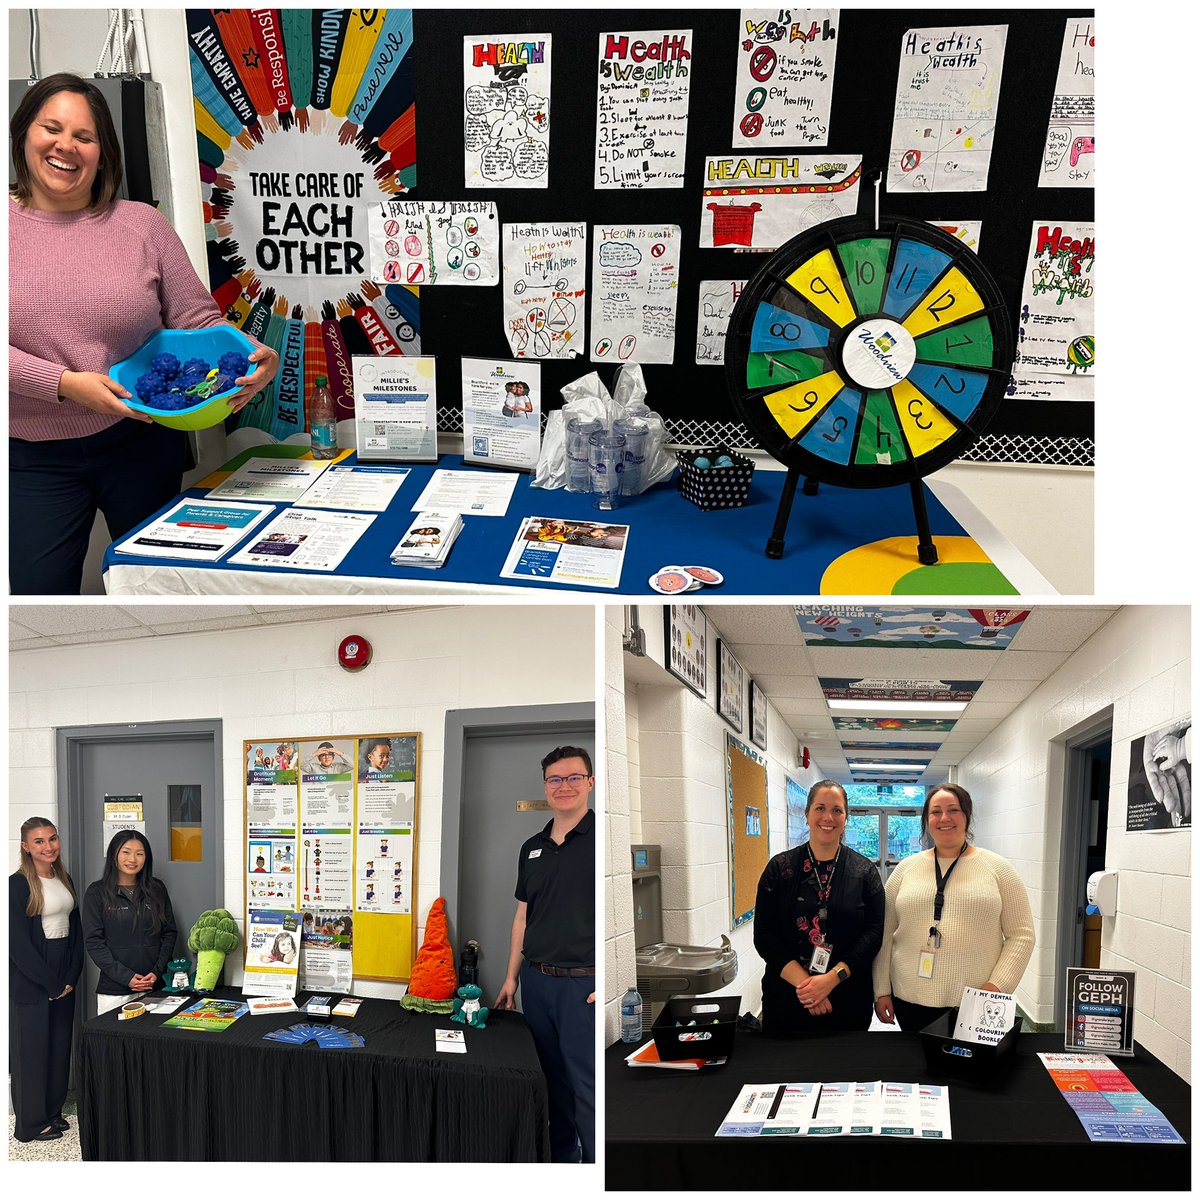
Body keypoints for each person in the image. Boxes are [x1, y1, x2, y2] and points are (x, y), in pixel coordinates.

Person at [8, 73, 279, 595]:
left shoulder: (142, 225)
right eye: (52, 128)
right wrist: (65, 383)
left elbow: (198, 321)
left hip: (140, 441)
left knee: (159, 583)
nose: (66, 146)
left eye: (84, 137)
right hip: (31, 455)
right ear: (24, 134)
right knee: (38, 596)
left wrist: (249, 354)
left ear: (103, 152)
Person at [496, 746, 595, 1163]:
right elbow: (522, 918)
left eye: (574, 777)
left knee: (587, 1091)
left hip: (581, 988)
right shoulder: (531, 847)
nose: (564, 786)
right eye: (555, 779)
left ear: (590, 782)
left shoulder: (600, 839)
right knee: (551, 1086)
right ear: (545, 786)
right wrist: (511, 978)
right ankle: (563, 1169)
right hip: (536, 985)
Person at [872, 784, 1035, 1031]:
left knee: (972, 1069)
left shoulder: (998, 869)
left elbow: (1021, 935)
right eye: (935, 812)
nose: (944, 818)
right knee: (916, 1067)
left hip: (977, 1002)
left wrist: (997, 987)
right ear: (927, 820)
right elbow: (885, 933)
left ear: (967, 816)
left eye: (953, 810)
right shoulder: (905, 870)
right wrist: (881, 989)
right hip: (909, 999)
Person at [753, 780, 884, 1032]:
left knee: (846, 1071)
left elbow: (874, 933)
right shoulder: (780, 869)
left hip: (847, 999)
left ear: (846, 817)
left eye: (837, 810)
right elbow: (764, 936)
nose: (828, 817)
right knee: (787, 1071)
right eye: (820, 808)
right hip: (788, 998)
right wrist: (809, 988)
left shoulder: (865, 871)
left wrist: (831, 980)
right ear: (807, 814)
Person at [9, 816, 84, 1142]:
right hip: (33, 979)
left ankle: (52, 1113)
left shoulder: (63, 877)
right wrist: (51, 984)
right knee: (32, 1052)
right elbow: (17, 945)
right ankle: (30, 1124)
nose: (48, 846)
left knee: (57, 1047)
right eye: (39, 841)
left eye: (52, 839)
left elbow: (76, 932)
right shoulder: (17, 884)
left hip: (63, 972)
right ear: (26, 847)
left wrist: (70, 977)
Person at [83, 829, 178, 1016]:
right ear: (114, 855)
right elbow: (94, 942)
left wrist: (157, 972)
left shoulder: (157, 889)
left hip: (155, 988)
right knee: (113, 1044)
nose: (132, 859)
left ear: (146, 858)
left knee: (152, 1044)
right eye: (126, 852)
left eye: (139, 853)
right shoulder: (97, 892)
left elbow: (169, 933)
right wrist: (127, 978)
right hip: (115, 991)